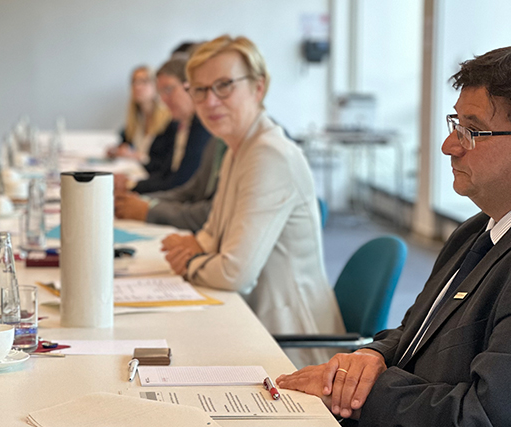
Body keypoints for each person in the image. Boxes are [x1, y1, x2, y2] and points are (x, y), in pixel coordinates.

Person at [276, 45, 511, 426]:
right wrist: (371, 358)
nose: (449, 146)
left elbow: (485, 417)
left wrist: (358, 391)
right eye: (455, 125)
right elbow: (413, 330)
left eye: (472, 131)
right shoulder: (476, 229)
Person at [160, 35, 345, 367]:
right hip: (252, 321)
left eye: (224, 86)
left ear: (258, 88)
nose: (210, 101)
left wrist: (189, 262)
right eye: (199, 90)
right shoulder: (238, 146)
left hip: (291, 345)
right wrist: (196, 247)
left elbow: (234, 273)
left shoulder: (269, 155)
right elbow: (210, 236)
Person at [114, 57, 212, 194]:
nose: (164, 99)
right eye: (161, 92)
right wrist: (130, 184)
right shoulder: (182, 123)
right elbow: (165, 173)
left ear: (189, 87)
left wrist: (132, 187)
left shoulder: (202, 127)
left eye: (169, 89)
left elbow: (180, 182)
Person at [114, 137, 226, 232]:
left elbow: (211, 214)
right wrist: (141, 200)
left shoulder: (205, 135)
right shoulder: (216, 141)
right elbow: (190, 191)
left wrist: (149, 209)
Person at [107, 65, 171, 163]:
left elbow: (163, 162)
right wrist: (117, 150)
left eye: (144, 81)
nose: (137, 86)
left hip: (153, 175)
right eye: (134, 81)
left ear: (156, 85)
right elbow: (124, 142)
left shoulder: (168, 120)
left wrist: (135, 156)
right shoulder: (136, 119)